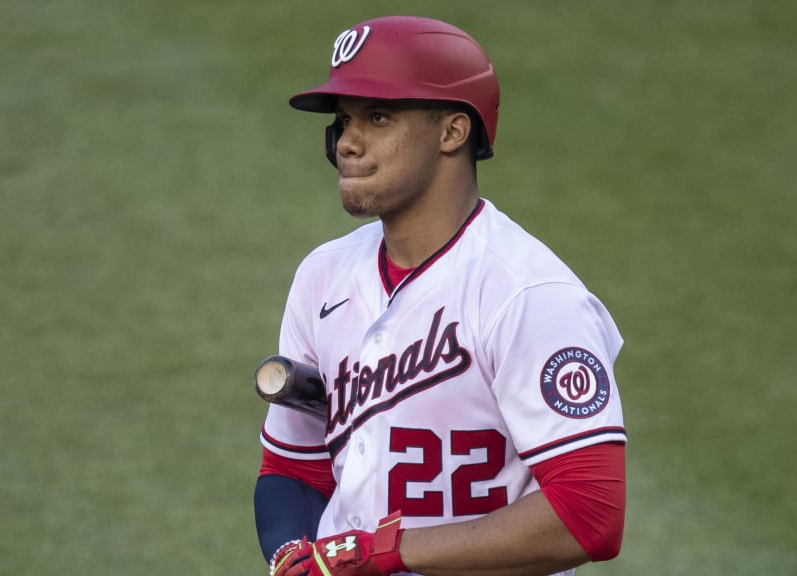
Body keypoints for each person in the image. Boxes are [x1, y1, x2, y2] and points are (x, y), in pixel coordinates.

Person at [254, 15, 627, 576]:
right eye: (344, 120)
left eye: (377, 117)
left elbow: (589, 514)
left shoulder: (527, 294)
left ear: (453, 132)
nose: (347, 143)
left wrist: (380, 555)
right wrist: (294, 559)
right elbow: (293, 468)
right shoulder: (322, 275)